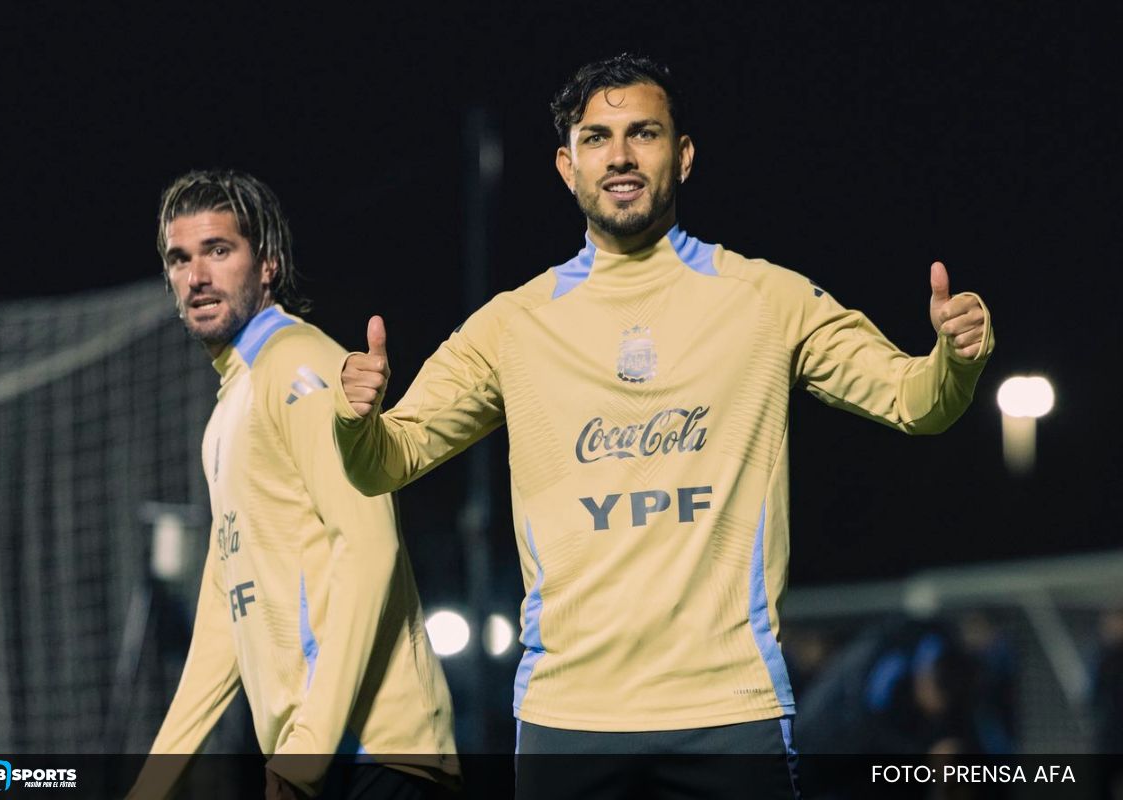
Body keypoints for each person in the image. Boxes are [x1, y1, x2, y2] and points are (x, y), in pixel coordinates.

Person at [334, 54, 993, 799]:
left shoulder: (763, 299)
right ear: (566, 164)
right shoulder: (514, 325)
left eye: (643, 133)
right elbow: (385, 463)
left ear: (682, 155)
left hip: (729, 709)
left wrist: (954, 360)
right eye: (597, 138)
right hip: (567, 714)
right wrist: (356, 423)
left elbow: (915, 402)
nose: (619, 155)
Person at [128, 170, 459, 800]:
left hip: (379, 756)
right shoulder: (229, 410)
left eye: (218, 251)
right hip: (318, 759)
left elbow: (371, 547)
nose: (197, 275)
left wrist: (306, 754)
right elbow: (227, 609)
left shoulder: (297, 362)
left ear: (268, 265)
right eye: (180, 259)